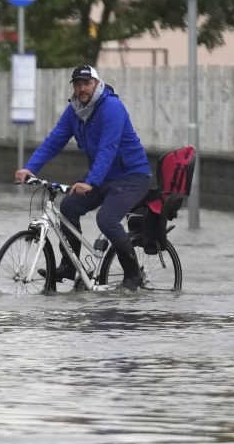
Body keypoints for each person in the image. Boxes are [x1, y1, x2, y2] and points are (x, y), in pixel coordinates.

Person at [14, 65, 152, 290]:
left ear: (97, 84)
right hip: (103, 175)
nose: (82, 89)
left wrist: (90, 182)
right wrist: (30, 168)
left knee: (106, 220)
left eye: (86, 83)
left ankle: (133, 275)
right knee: (68, 206)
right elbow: (54, 141)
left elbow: (108, 149)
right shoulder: (74, 111)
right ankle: (69, 266)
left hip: (132, 176)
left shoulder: (112, 108)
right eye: (77, 84)